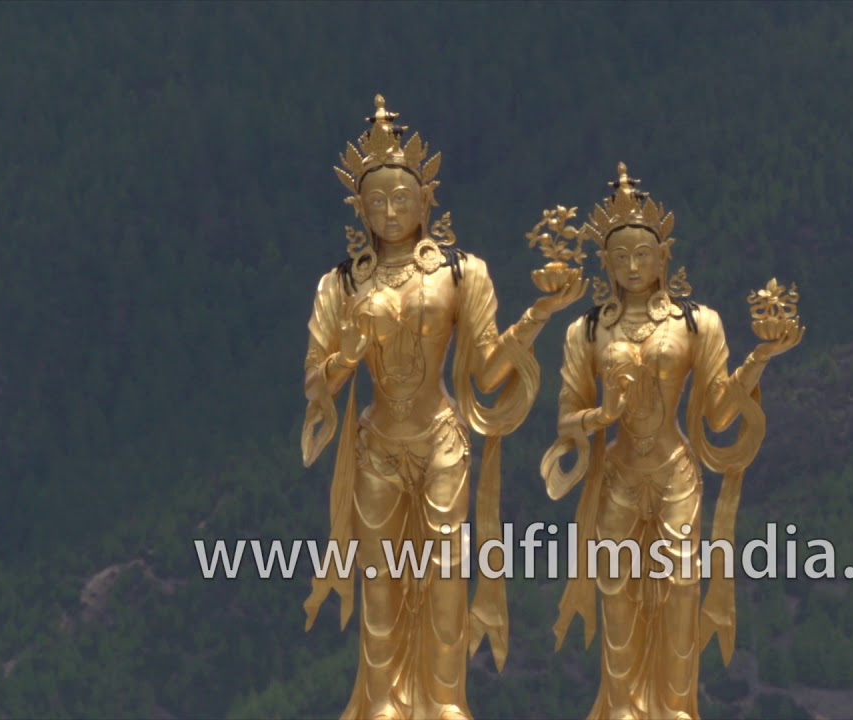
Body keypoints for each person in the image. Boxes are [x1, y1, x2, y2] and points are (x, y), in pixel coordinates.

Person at [300, 94, 586, 720]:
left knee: (446, 574)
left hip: (440, 441)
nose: (390, 211)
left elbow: (486, 368)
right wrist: (349, 352)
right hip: (377, 444)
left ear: (426, 200)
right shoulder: (341, 284)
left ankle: (444, 700)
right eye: (377, 200)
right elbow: (317, 385)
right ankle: (383, 701)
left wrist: (538, 315)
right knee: (381, 577)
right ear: (359, 207)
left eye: (402, 197)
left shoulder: (462, 274)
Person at [541, 163, 803, 720]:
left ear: (664, 256)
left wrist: (760, 358)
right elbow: (565, 419)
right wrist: (600, 415)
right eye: (621, 257)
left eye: (644, 254)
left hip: (676, 475)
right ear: (605, 262)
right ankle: (622, 705)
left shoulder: (697, 324)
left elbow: (719, 410)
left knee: (680, 589)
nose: (633, 266)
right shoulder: (586, 331)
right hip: (618, 476)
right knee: (618, 590)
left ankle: (675, 705)